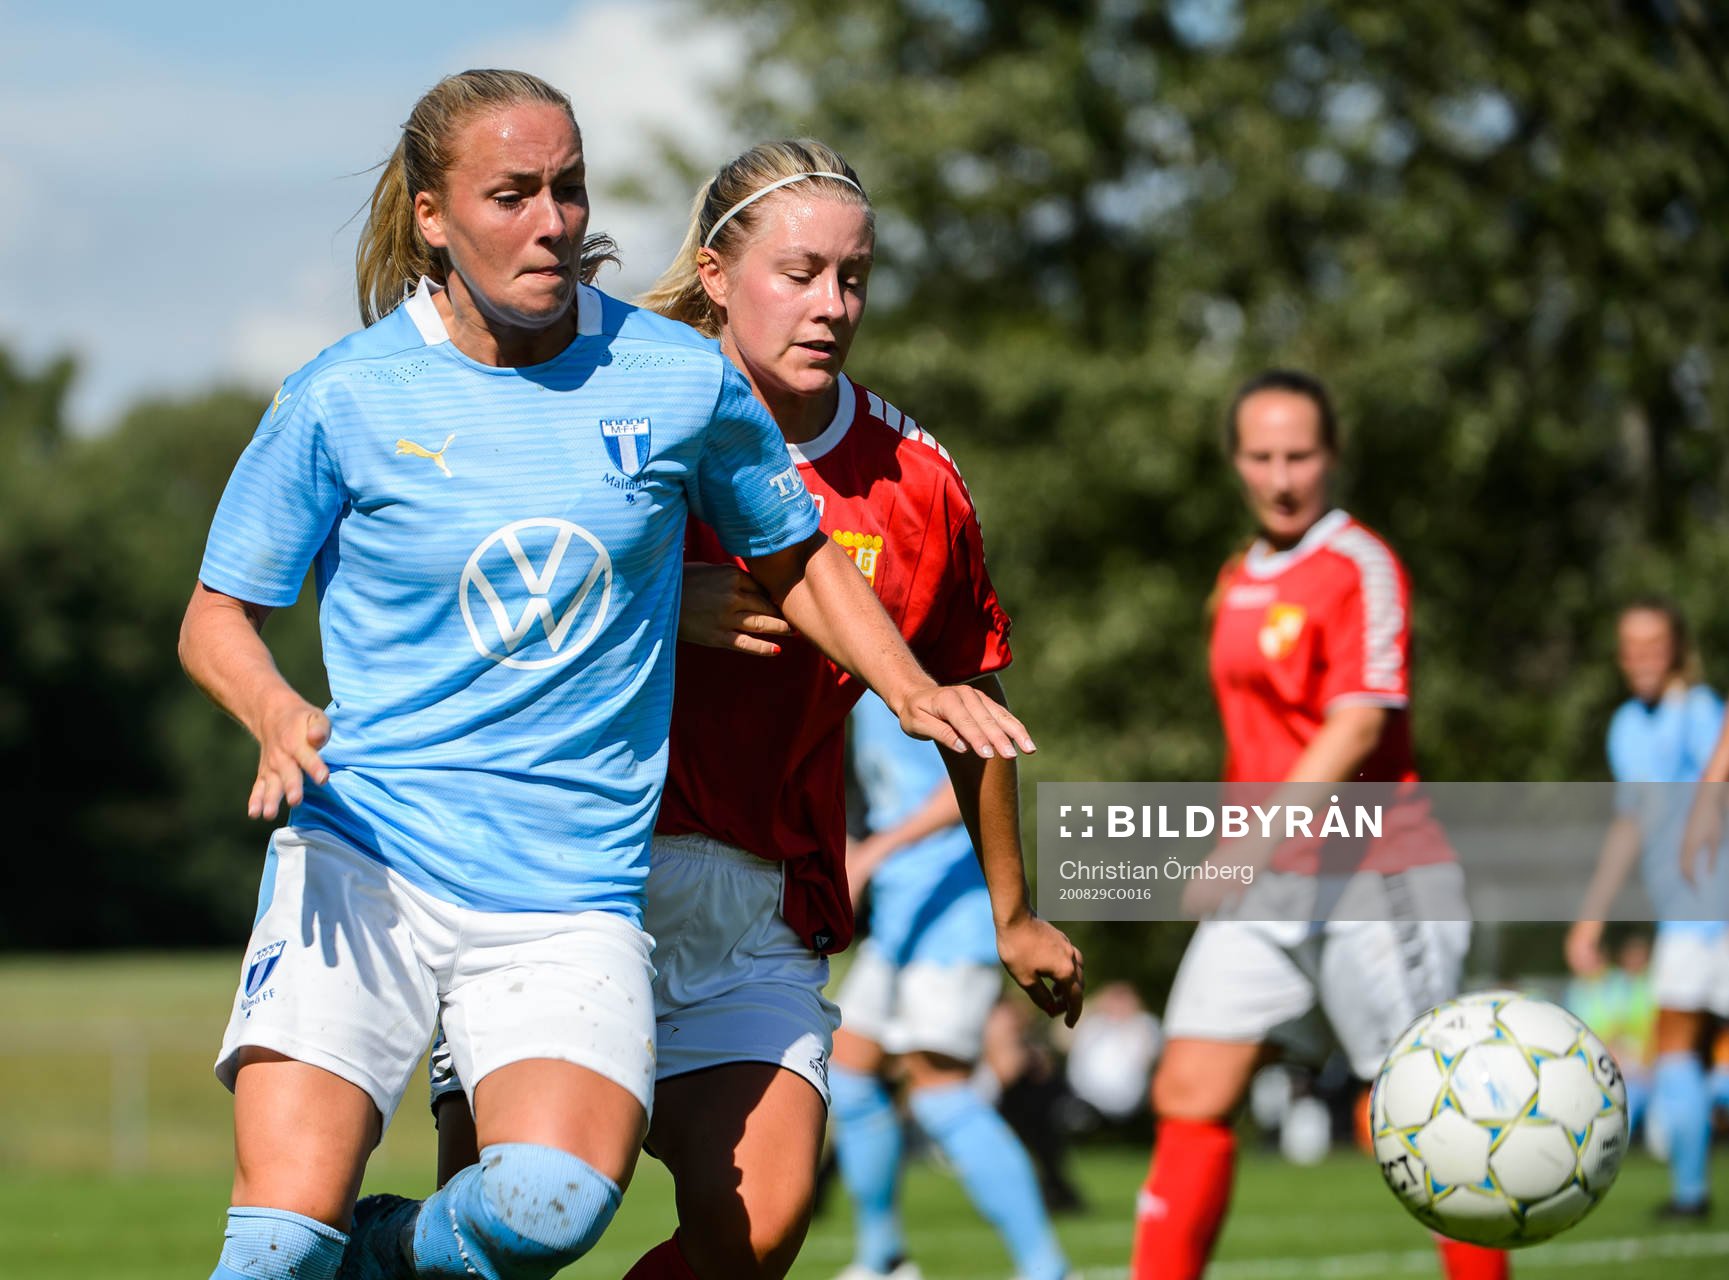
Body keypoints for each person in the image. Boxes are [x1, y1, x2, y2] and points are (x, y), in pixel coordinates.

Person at [181, 75, 1034, 1280]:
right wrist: (274, 709)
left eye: (568, 188)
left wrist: (906, 687)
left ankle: (387, 1253)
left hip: (567, 880)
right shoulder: (345, 394)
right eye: (512, 194)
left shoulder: (677, 380)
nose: (552, 221)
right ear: (432, 215)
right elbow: (218, 615)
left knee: (545, 1206)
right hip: (363, 851)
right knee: (273, 1245)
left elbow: (794, 553)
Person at [404, 139, 1083, 1280]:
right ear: (716, 277)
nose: (830, 305)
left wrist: (1014, 913)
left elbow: (973, 698)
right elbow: (468, 594)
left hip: (753, 904)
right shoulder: (600, 407)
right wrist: (655, 600)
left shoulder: (916, 482)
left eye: (852, 277)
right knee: (513, 1224)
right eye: (798, 271)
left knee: (755, 1231)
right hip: (566, 879)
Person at [1129, 370, 1508, 1280]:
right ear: (1235, 462)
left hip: (1376, 873)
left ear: (1331, 457)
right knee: (1190, 1087)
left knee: (1416, 1115)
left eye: (1299, 455)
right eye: (1260, 456)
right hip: (1266, 883)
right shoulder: (1237, 576)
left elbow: (1357, 723)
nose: (1280, 475)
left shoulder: (1359, 565)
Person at [826, 690, 1072, 1280]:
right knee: (851, 1073)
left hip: (956, 915)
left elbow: (977, 767)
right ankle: (883, 1258)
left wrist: (875, 852)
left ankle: (1048, 1270)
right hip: (901, 915)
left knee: (941, 1093)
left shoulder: (924, 647)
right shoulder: (855, 657)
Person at [1577, 598, 1729, 1217]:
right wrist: (1592, 916)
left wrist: (1704, 806)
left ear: (1677, 648)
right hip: (1682, 908)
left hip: (1711, 902)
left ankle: (1690, 1193)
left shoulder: (1696, 710)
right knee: (1691, 1048)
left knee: (1675, 1044)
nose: (1642, 656)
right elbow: (1629, 826)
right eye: (1631, 645)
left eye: (1654, 643)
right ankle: (1691, 1191)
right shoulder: (1625, 728)